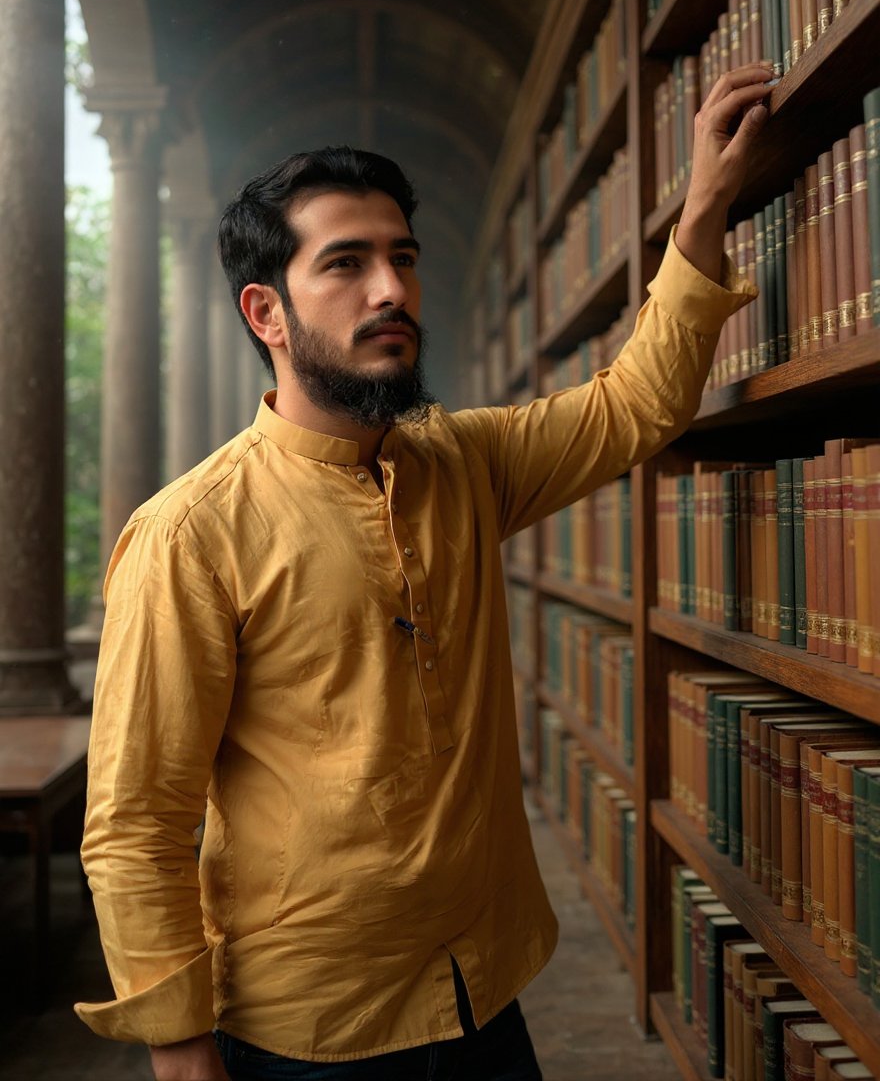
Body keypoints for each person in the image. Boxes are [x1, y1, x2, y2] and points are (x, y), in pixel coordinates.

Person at [75, 62, 773, 1080]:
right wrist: (184, 1057)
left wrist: (705, 201)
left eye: (401, 257)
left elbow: (635, 405)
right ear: (267, 312)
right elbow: (136, 818)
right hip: (309, 1027)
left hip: (483, 990)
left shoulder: (462, 461)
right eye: (346, 263)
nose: (391, 289)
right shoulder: (189, 533)